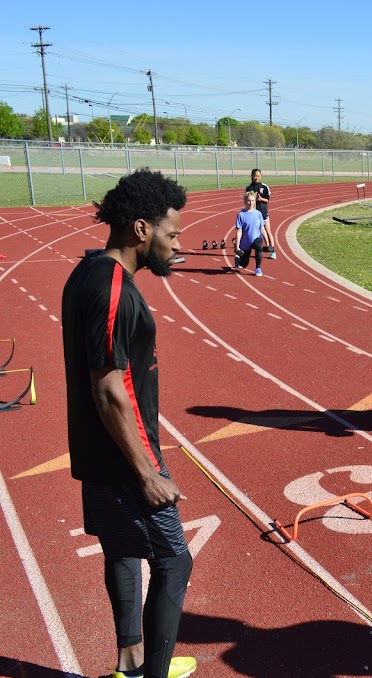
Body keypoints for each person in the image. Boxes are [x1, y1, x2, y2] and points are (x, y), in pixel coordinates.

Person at [61, 169, 196, 678]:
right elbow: (108, 388)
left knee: (121, 548)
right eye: (172, 234)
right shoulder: (112, 288)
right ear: (142, 229)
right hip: (126, 457)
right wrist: (146, 471)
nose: (176, 245)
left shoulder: (87, 272)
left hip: (100, 453)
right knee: (174, 561)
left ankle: (131, 662)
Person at [233, 191, 270, 276]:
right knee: (244, 264)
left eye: (253, 200)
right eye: (249, 201)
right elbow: (239, 231)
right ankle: (238, 260)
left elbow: (262, 229)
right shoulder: (241, 214)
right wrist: (237, 247)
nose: (251, 203)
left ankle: (258, 268)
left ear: (255, 201)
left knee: (259, 246)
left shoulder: (258, 214)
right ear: (245, 201)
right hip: (245, 242)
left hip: (256, 238)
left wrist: (267, 243)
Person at [243, 168, 274, 259]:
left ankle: (272, 251)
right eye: (255, 176)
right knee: (250, 232)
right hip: (253, 215)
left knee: (267, 232)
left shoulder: (264, 187)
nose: (256, 178)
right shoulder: (248, 188)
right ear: (252, 176)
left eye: (258, 176)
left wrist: (260, 199)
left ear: (261, 177)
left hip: (263, 213)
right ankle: (247, 251)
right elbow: (246, 200)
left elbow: (267, 200)